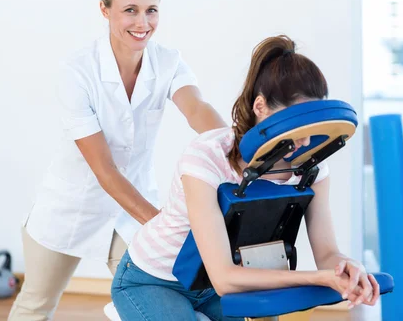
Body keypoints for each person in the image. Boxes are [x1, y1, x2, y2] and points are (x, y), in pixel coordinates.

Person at [8, 0, 226, 320]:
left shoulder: (169, 62)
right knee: (35, 303)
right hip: (70, 208)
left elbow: (196, 108)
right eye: (130, 10)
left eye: (151, 10)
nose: (143, 23)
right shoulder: (77, 73)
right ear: (105, 10)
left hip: (130, 209)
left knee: (156, 292)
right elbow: (105, 170)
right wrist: (160, 225)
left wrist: (229, 147)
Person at [111, 35, 381, 320]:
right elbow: (224, 277)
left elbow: (327, 254)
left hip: (216, 286)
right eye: (293, 123)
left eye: (310, 124)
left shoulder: (310, 169)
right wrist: (316, 278)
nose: (303, 140)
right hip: (155, 279)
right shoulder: (206, 157)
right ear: (260, 107)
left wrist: (346, 267)